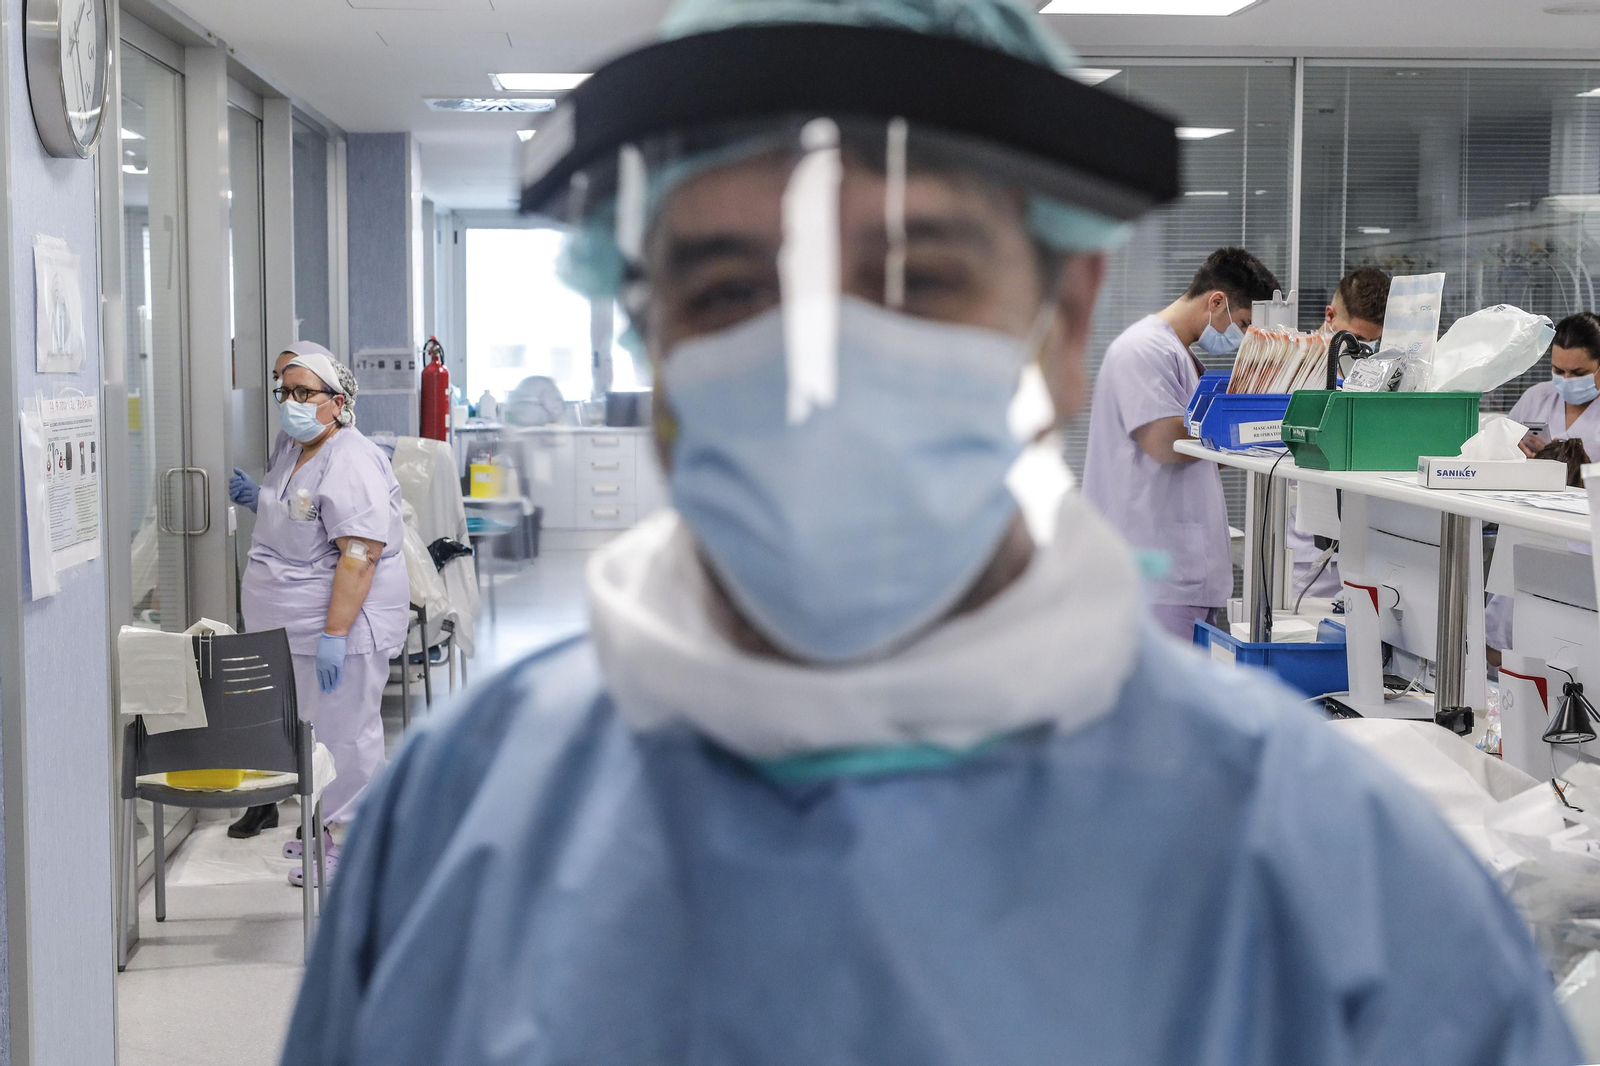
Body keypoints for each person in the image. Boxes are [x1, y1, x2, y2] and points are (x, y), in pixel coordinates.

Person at [282, 0, 1578, 1061]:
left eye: (915, 278)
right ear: (651, 338)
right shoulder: (462, 822)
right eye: (733, 286)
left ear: (1066, 320)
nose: (819, 364)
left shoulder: (1343, 903)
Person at [228, 346, 408, 884]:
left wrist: (335, 633)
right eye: (284, 390)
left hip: (343, 627)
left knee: (348, 734)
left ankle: (353, 846)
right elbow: (299, 512)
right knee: (318, 732)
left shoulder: (351, 458)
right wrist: (257, 499)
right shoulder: (295, 445)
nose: (291, 401)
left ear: (338, 401)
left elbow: (360, 553)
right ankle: (322, 830)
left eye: (304, 392)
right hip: (299, 627)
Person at [1082, 248, 1281, 640]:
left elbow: (1203, 455)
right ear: (1217, 301)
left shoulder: (1182, 355)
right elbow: (1162, 441)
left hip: (1183, 578)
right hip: (1152, 580)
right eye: (1242, 324)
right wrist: (1240, 422)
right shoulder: (1142, 349)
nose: (1242, 339)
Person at [1485, 312, 1600, 658]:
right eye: (1558, 371)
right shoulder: (1537, 398)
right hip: (1527, 535)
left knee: (1569, 650)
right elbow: (1497, 452)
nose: (1565, 380)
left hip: (1586, 546)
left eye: (1578, 373)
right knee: (1505, 641)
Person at [1290, 265, 1393, 603]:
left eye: (1375, 342)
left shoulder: (1389, 373)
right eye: (1358, 340)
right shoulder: (1292, 369)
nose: (1365, 351)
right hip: (1305, 554)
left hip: (1370, 548)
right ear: (1330, 317)